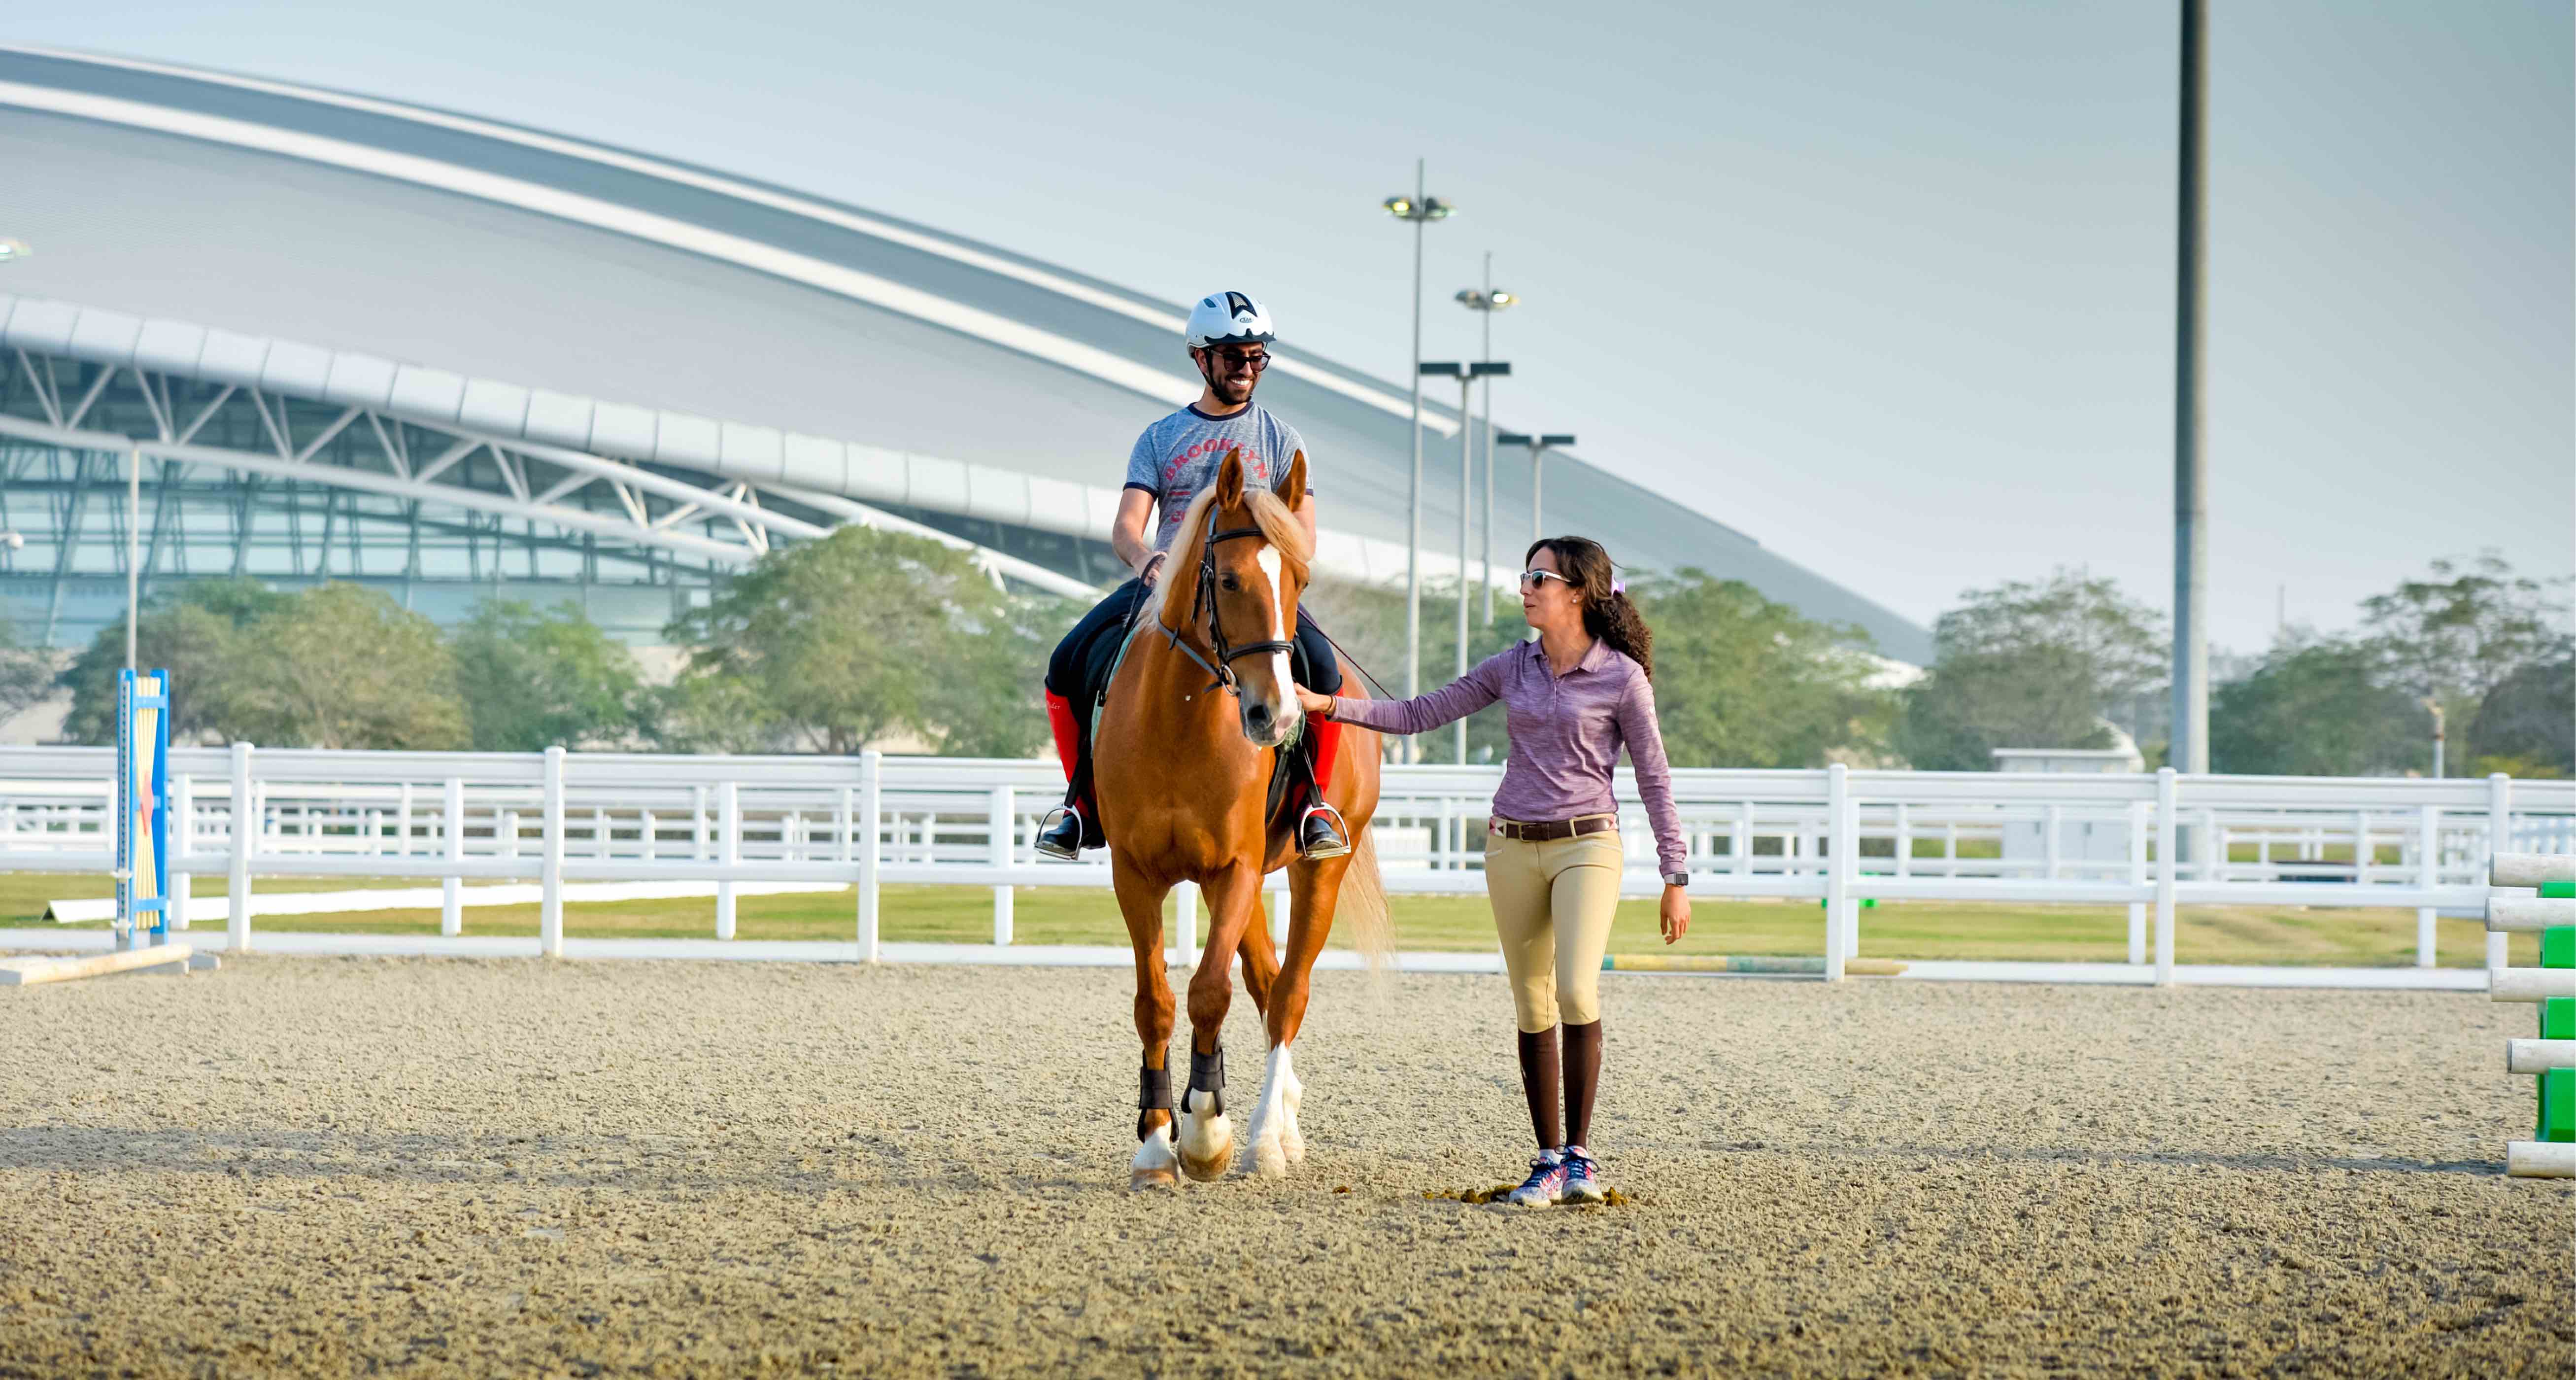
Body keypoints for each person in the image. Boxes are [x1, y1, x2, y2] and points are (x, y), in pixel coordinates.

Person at [1294, 536, 1691, 1208]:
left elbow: (1654, 778)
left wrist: (1674, 874)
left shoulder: (1623, 678)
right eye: (1525, 575)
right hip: (1511, 847)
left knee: (1575, 989)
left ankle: (1582, 1161)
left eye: (1540, 577)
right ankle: (1545, 1161)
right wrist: (1330, 705)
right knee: (1532, 1002)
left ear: (1578, 593)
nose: (1526, 587)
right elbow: (1422, 713)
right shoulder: (1513, 666)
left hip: (1588, 845)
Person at [1037, 291, 1349, 862]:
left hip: (1250, 587)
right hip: (1166, 585)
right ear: (1201, 359)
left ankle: (1312, 803)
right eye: (1233, 357)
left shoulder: (1282, 440)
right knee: (1065, 663)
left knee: (1325, 670)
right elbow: (1127, 527)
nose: (1247, 369)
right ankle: (1081, 804)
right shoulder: (1160, 437)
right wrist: (1145, 559)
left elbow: (1303, 536)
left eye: (1257, 357)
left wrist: (1271, 566)